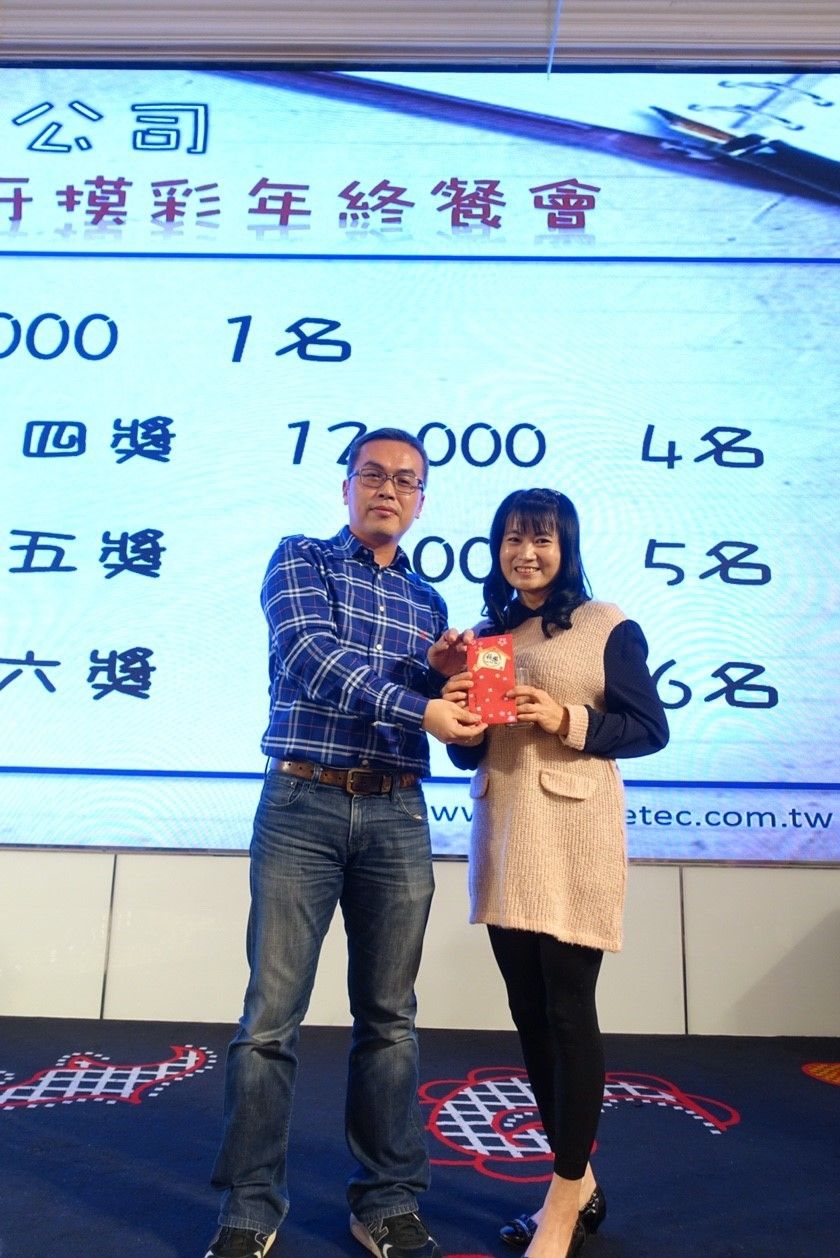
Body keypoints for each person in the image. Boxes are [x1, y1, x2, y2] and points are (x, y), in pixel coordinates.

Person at [204, 427, 485, 1258]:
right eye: (373, 474)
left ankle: (387, 1201)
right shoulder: (302, 559)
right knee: (270, 1020)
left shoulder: (429, 604)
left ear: (422, 501)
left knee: (391, 1019)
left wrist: (441, 676)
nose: (388, 489)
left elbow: (419, 706)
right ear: (347, 486)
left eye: (406, 480)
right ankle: (250, 1208)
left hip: (397, 813)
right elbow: (312, 657)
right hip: (303, 801)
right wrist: (422, 704)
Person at [443, 487, 669, 1258]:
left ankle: (563, 1206)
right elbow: (471, 749)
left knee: (569, 1014)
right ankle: (579, 1184)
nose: (526, 553)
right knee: (531, 1015)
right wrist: (459, 713)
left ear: (566, 547)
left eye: (541, 539)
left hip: (572, 838)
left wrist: (565, 718)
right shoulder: (488, 635)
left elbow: (649, 728)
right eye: (512, 539)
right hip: (505, 834)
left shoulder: (605, 624)